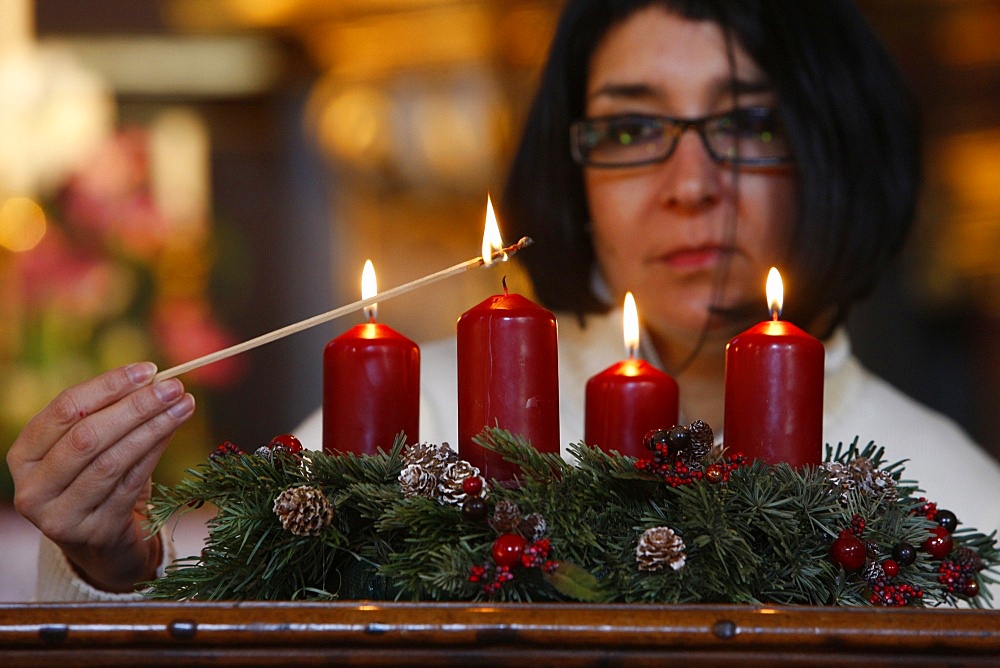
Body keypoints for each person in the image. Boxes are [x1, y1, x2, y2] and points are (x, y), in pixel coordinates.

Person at [8, 0, 1000, 602]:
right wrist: (107, 555)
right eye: (628, 130)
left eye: (747, 124)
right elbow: (213, 606)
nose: (690, 182)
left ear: (836, 143)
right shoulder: (425, 413)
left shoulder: (957, 500)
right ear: (570, 175)